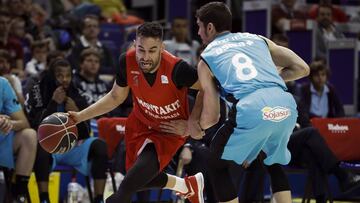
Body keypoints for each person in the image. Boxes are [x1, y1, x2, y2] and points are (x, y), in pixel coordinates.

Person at [68, 22, 204, 203]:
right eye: (141, 50)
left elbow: (207, 88)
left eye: (152, 50)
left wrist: (192, 123)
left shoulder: (177, 68)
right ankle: (187, 186)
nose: (145, 57)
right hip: (139, 125)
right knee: (137, 180)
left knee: (124, 190)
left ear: (162, 48)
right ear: (135, 44)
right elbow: (116, 97)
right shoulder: (127, 61)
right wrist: (79, 117)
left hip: (167, 131)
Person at [189, 2, 309, 203]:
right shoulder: (257, 39)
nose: (199, 32)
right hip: (285, 105)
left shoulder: (207, 56)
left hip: (251, 109)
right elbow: (302, 68)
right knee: (272, 159)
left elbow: (212, 117)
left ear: (210, 27)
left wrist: (199, 129)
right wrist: (270, 79)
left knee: (215, 162)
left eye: (200, 26)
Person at [25, 59, 108, 203]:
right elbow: (36, 127)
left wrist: (78, 112)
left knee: (100, 145)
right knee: (41, 145)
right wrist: (53, 104)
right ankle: (44, 198)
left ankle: (99, 199)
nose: (65, 80)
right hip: (49, 148)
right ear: (52, 76)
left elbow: (85, 132)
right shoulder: (37, 91)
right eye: (60, 75)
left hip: (74, 147)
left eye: (68, 75)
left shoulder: (77, 93)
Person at [0, 77, 37, 202]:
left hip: (2, 140)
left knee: (29, 135)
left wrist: (8, 123)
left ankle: (18, 195)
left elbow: (23, 122)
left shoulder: (2, 84)